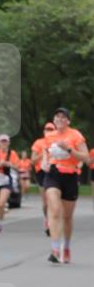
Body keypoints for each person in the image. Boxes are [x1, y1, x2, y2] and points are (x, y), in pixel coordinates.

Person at [43, 107, 88, 264]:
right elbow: (46, 153)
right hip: (53, 174)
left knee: (67, 217)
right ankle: (55, 249)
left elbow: (87, 158)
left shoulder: (75, 135)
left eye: (63, 117)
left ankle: (66, 247)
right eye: (57, 117)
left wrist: (69, 149)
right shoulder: (49, 136)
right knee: (54, 210)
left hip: (70, 175)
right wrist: (44, 162)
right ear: (54, 120)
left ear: (68, 121)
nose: (59, 119)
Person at [31, 122, 57, 235]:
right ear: (44, 131)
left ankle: (53, 222)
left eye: (51, 130)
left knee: (53, 200)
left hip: (53, 170)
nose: (49, 131)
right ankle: (47, 219)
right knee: (46, 202)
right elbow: (32, 160)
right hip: (41, 172)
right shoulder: (38, 143)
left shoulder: (57, 142)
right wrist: (43, 153)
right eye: (47, 129)